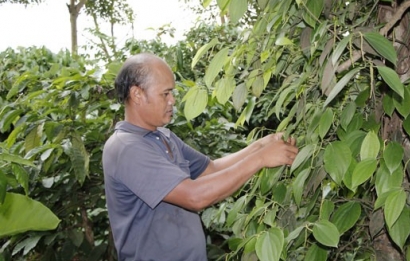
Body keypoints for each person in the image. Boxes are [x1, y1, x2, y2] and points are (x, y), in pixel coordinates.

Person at [102, 53, 299, 261]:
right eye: (165, 94)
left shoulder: (164, 137)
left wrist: (261, 145)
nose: (173, 100)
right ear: (137, 94)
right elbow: (194, 196)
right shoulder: (126, 148)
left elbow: (212, 169)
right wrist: (260, 159)